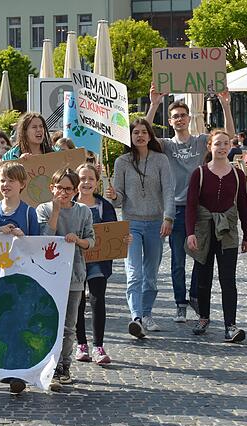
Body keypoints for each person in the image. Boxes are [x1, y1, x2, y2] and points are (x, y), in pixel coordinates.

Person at [146, 83, 235, 323]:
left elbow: (229, 137)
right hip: (175, 209)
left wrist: (225, 104)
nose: (180, 119)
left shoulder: (200, 141)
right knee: (177, 260)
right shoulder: (166, 145)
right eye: (175, 117)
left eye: (183, 115)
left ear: (189, 118)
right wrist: (154, 104)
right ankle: (180, 303)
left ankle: (195, 295)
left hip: (199, 211)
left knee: (200, 256)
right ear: (170, 121)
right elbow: (143, 136)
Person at [105, 119, 175, 337]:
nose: (140, 136)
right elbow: (118, 200)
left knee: (151, 275)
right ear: (130, 136)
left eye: (144, 132)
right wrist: (115, 196)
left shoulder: (161, 160)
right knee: (134, 272)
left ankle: (147, 314)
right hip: (131, 224)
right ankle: (135, 317)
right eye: (136, 132)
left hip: (156, 223)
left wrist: (168, 217)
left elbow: (168, 191)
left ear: (150, 136)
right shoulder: (122, 162)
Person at [185, 130, 247, 342]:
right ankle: (203, 317)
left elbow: (243, 205)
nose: (222, 147)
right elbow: (191, 206)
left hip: (228, 232)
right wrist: (190, 233)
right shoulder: (200, 173)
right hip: (204, 231)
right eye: (217, 144)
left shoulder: (238, 175)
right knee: (203, 278)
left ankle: (230, 325)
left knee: (228, 280)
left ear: (230, 147)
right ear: (209, 147)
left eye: (225, 144)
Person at [36, 168, 95, 392]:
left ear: (75, 190)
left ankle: (64, 366)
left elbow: (92, 240)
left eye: (68, 188)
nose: (64, 192)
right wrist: (56, 212)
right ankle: (46, 365)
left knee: (69, 326)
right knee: (48, 323)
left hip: (74, 275)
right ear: (52, 188)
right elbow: (44, 238)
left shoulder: (83, 212)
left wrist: (78, 241)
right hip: (48, 276)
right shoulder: (43, 209)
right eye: (59, 188)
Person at [74, 162, 129, 365]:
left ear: (97, 183)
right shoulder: (68, 205)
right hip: (75, 260)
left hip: (98, 259)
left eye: (90, 179)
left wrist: (123, 239)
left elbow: (113, 232)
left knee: (98, 299)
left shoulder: (103, 206)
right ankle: (81, 343)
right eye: (82, 179)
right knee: (77, 301)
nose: (86, 182)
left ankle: (98, 345)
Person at [0, 161, 40, 238]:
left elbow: (36, 243)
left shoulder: (29, 213)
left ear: (22, 184)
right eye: (2, 181)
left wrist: (23, 237)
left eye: (11, 181)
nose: (5, 184)